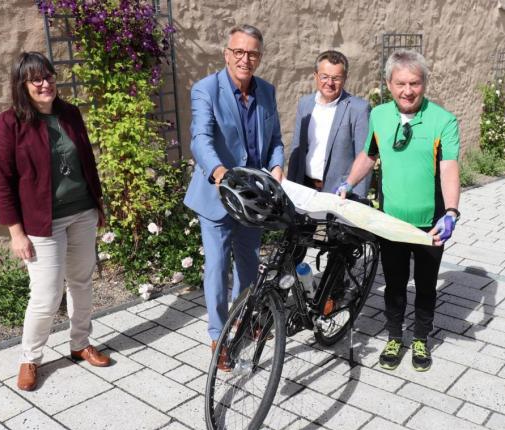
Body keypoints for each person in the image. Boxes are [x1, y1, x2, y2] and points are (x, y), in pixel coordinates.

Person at [0, 51, 110, 392]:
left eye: (49, 76)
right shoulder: (8, 124)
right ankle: (30, 358)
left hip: (82, 212)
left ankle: (80, 343)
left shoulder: (69, 114)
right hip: (43, 223)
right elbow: (1, 182)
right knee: (46, 294)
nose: (45, 84)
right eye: (36, 79)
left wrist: (97, 206)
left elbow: (87, 163)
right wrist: (16, 233)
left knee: (81, 282)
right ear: (22, 85)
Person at [338, 50, 461, 372]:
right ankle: (394, 336)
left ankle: (420, 337)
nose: (408, 91)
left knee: (425, 283)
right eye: (401, 83)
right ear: (389, 84)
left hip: (430, 224)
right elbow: (369, 154)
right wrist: (348, 183)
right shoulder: (379, 116)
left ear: (424, 83)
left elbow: (449, 168)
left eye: (415, 83)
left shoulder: (443, 121)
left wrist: (451, 212)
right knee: (394, 283)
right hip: (390, 221)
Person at [183, 25, 284, 367]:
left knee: (249, 264)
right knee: (216, 267)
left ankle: (242, 320)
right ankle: (218, 335)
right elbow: (200, 138)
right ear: (227, 54)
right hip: (218, 193)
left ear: (260, 57)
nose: (245, 59)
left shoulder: (266, 91)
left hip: (252, 197)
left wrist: (277, 166)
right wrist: (219, 173)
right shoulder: (206, 89)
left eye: (252, 53)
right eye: (238, 52)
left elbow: (275, 140)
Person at [287, 50, 371, 196]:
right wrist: (290, 188)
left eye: (336, 78)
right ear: (315, 76)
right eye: (324, 77)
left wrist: (358, 198)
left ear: (345, 78)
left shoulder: (359, 109)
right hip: (304, 188)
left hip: (339, 193)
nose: (330, 83)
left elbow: (365, 157)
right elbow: (297, 148)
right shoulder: (305, 104)